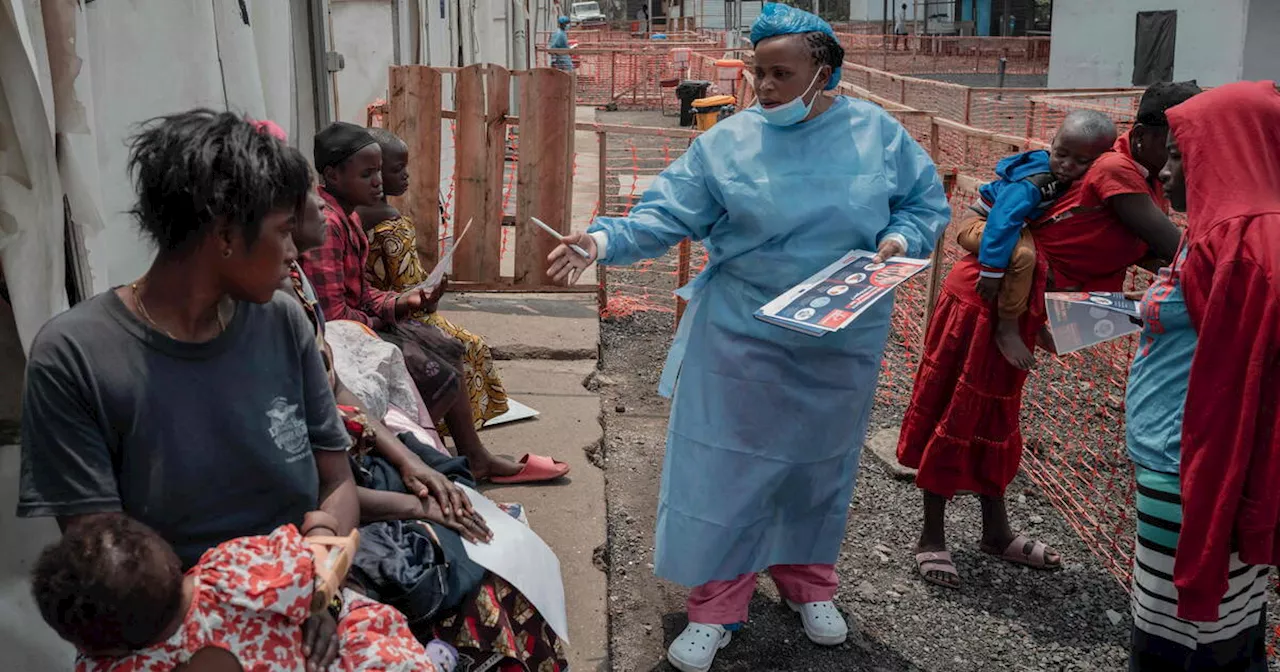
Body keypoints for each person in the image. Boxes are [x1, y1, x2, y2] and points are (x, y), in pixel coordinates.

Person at [546, 5, 949, 670]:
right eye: (758, 72)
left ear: (826, 72)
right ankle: (715, 605)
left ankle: (809, 582)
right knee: (724, 471)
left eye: (780, 73)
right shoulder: (726, 144)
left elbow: (922, 203)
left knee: (816, 469)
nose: (763, 86)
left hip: (839, 336)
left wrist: (900, 237)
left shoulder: (878, 135)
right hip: (743, 335)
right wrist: (600, 239)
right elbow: (665, 213)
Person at [16, 110, 361, 672]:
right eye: (281, 231)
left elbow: (336, 480)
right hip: (164, 636)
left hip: (302, 597)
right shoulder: (74, 357)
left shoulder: (283, 323)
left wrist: (319, 589)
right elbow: (106, 568)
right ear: (225, 235)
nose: (297, 252)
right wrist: (222, 632)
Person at [896, 81, 1199, 590]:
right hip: (984, 303)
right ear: (1144, 135)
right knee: (956, 410)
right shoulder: (1114, 170)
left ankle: (995, 532)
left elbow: (1138, 246)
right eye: (1178, 144)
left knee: (996, 416)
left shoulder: (1142, 177)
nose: (1183, 157)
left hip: (1027, 308)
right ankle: (931, 536)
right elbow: (1179, 250)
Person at [302, 122, 568, 485]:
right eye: (366, 174)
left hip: (357, 325)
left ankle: (470, 456)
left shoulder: (347, 217)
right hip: (340, 340)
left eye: (378, 171)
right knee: (432, 363)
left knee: (448, 347)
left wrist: (406, 301)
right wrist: (389, 314)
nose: (377, 181)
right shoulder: (328, 225)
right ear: (332, 175)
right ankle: (441, 459)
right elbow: (333, 316)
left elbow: (362, 293)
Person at [1125, 80, 1280, 672]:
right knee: (1215, 626)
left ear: (1227, 151)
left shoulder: (1243, 242)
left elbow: (1245, 387)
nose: (1164, 171)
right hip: (1174, 461)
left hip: (1193, 475)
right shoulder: (1214, 228)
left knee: (1181, 638)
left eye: (1182, 155)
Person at [32, 514, 454, 672]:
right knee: (363, 638)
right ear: (173, 560)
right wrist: (321, 525)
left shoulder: (110, 667)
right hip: (329, 660)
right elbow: (317, 567)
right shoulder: (232, 574)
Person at [359, 128, 513, 433]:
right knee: (468, 346)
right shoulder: (390, 223)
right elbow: (408, 286)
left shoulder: (358, 215)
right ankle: (453, 431)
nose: (405, 176)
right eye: (396, 169)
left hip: (385, 307)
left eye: (405, 167)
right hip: (398, 312)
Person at [956, 110, 1118, 369]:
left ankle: (1033, 319)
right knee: (1024, 256)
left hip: (1016, 225)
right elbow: (1002, 220)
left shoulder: (1080, 179)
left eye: (1080, 160)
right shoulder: (1035, 181)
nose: (1066, 164)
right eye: (1061, 154)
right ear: (1052, 144)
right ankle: (1007, 327)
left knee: (1052, 254)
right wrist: (991, 271)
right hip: (980, 223)